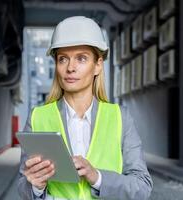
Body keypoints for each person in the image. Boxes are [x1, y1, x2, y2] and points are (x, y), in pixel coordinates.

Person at [17, 16, 153, 200]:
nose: (70, 68)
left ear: (97, 65)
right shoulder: (37, 118)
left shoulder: (120, 117)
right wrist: (36, 187)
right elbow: (22, 186)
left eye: (81, 58)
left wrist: (97, 177)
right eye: (63, 59)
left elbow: (142, 187)